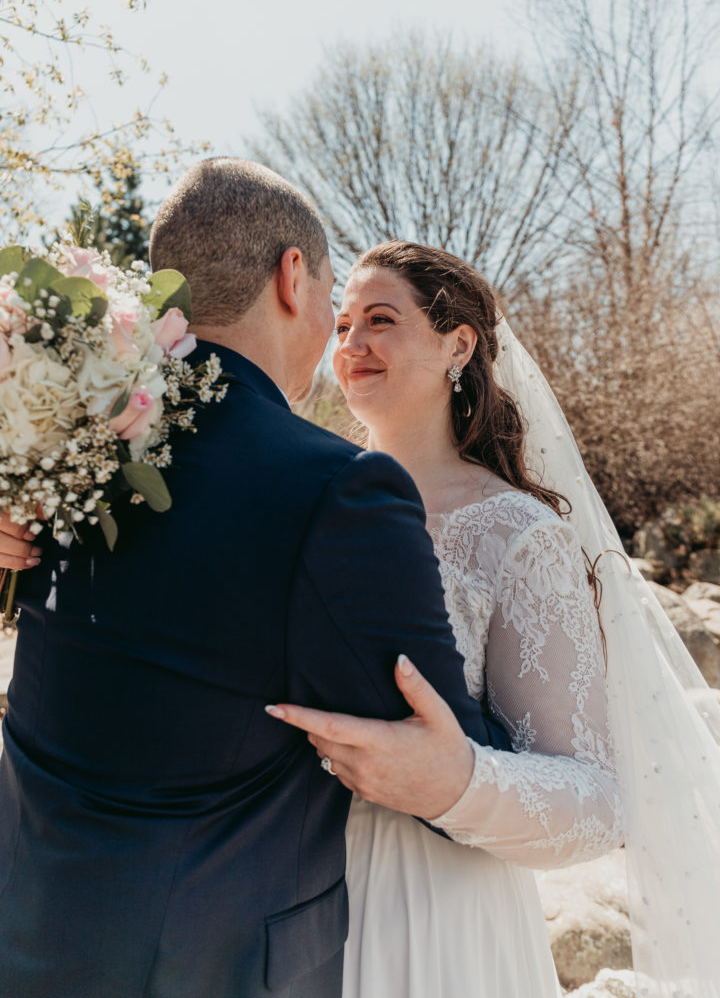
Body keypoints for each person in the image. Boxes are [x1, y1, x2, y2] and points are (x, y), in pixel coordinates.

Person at [0, 163, 511, 998]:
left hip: (27, 929)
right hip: (203, 967)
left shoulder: (59, 434)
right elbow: (440, 756)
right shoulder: (336, 489)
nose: (340, 339)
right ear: (292, 275)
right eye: (334, 307)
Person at [270, 242, 720, 998]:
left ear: (460, 343)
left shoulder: (516, 534)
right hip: (281, 900)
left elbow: (601, 800)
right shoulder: (294, 497)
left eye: (381, 320)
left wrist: (457, 782)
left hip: (437, 914)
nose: (352, 345)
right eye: (343, 325)